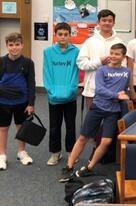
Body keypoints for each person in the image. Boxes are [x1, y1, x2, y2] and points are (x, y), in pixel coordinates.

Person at [59, 43, 130, 181]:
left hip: (113, 111)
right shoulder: (102, 70)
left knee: (106, 141)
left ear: (123, 56)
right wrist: (117, 95)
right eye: (112, 53)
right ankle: (68, 167)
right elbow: (100, 90)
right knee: (83, 138)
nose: (113, 56)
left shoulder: (127, 72)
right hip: (98, 107)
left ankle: (89, 168)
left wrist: (126, 93)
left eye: (117, 54)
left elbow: (125, 89)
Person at [43, 23, 79, 165]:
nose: (63, 37)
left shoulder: (75, 52)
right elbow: (46, 73)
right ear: (56, 35)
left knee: (71, 126)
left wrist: (71, 90)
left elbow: (75, 74)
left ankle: (71, 152)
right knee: (54, 125)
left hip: (70, 96)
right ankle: (55, 153)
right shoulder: (48, 52)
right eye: (60, 34)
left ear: (69, 35)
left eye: (66, 34)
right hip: (54, 97)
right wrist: (51, 90)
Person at [0, 32, 36, 170]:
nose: (14, 48)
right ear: (6, 46)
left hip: (22, 102)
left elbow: (31, 84)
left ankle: (21, 152)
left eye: (17, 44)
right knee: (3, 129)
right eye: (11, 45)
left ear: (22, 45)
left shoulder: (28, 63)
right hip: (3, 103)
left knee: (21, 128)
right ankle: (2, 155)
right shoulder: (1, 61)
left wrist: (31, 103)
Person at [77, 9, 124, 109]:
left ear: (114, 23)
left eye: (110, 20)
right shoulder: (90, 42)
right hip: (93, 90)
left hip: (113, 91)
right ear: (98, 22)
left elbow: (123, 68)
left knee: (111, 122)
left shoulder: (119, 42)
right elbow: (81, 64)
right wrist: (99, 62)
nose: (107, 23)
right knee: (93, 122)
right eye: (104, 20)